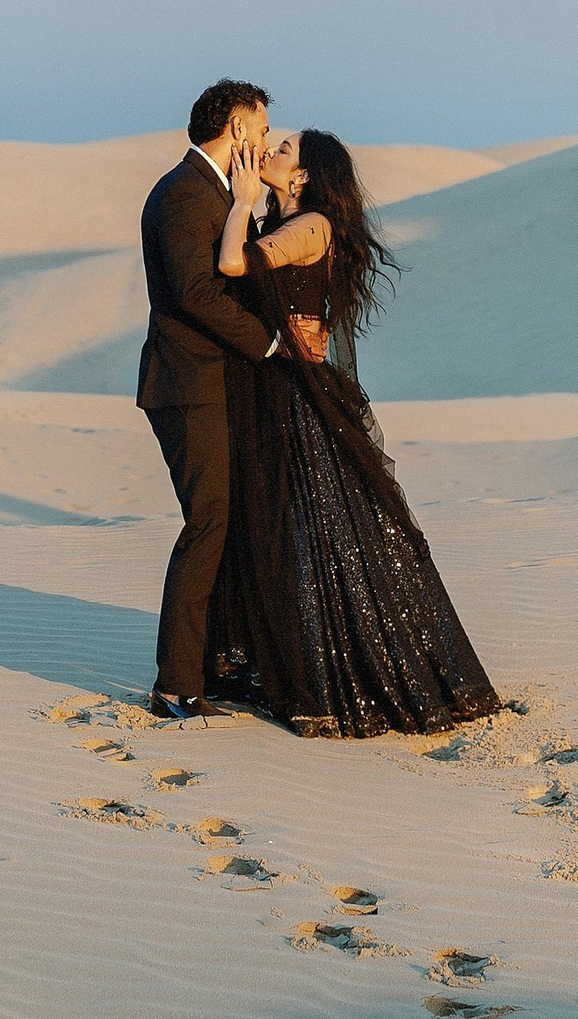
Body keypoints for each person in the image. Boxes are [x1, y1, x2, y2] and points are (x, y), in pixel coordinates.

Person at [203, 125, 501, 739]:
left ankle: (337, 671)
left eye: (282, 150)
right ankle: (297, 656)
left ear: (305, 175)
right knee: (294, 527)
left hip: (299, 396)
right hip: (276, 390)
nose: (271, 153)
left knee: (320, 528)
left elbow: (233, 264)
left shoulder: (310, 227)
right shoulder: (281, 221)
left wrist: (238, 200)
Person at [135, 78, 284, 722]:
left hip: (212, 382)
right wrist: (271, 345)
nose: (269, 136)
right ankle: (175, 685)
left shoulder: (220, 193)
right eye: (261, 124)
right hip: (186, 383)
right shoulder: (184, 194)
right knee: (207, 522)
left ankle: (214, 666)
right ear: (235, 127)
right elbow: (196, 293)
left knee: (224, 521)